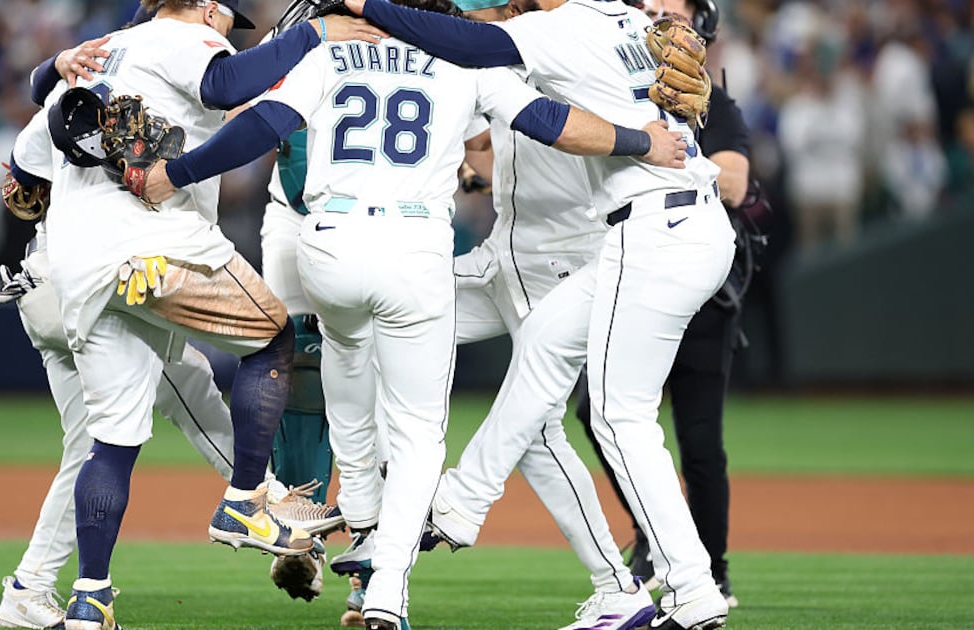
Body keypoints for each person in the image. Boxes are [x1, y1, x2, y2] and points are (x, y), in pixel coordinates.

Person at [124, 3, 686, 629]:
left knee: (344, 367)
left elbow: (263, 124)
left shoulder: (332, 48)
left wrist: (174, 173)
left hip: (329, 241)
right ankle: (387, 585)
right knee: (419, 432)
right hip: (415, 249)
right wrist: (643, 140)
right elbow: (548, 120)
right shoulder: (466, 53)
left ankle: (361, 509)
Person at [344, 0, 737, 627]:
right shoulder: (632, 22)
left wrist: (368, 7)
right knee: (545, 346)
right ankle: (458, 502)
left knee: (620, 418)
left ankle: (691, 588)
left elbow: (461, 41)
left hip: (651, 230)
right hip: (681, 220)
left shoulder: (562, 25)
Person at [15, 2, 385, 628]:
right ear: (209, 8)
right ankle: (244, 500)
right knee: (272, 337)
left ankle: (89, 598)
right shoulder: (181, 38)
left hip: (77, 269)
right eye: (224, 21)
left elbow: (26, 171)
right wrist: (315, 31)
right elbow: (226, 82)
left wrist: (49, 68)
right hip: (150, 248)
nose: (225, 34)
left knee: (111, 443)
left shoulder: (105, 55)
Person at [573, 0, 751, 611]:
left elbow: (735, 180)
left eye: (670, 6)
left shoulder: (712, 102)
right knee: (604, 410)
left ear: (701, 22)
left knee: (697, 438)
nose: (656, 12)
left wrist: (683, 152)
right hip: (643, 264)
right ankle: (660, 538)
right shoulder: (629, 85)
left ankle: (712, 572)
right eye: (649, 5)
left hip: (700, 284)